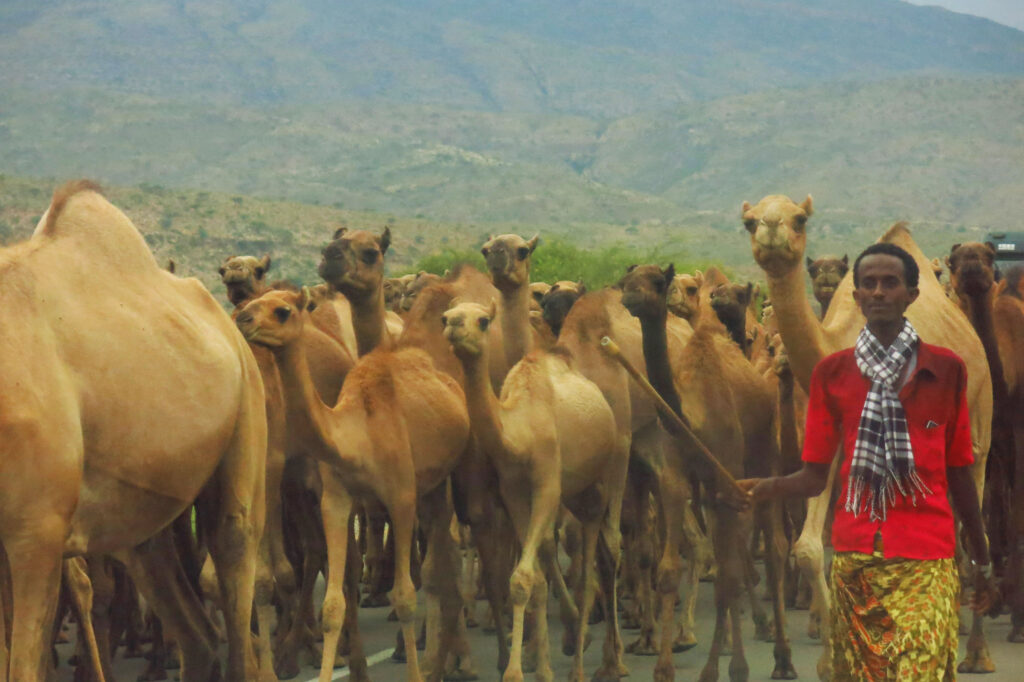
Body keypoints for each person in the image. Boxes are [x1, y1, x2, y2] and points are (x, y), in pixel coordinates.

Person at [735, 243, 995, 681]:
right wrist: (765, 488)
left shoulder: (946, 371)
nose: (878, 292)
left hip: (926, 556)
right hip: (856, 555)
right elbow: (816, 474)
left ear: (913, 294)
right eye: (869, 284)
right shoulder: (831, 375)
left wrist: (981, 558)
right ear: (855, 298)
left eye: (890, 283)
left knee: (918, 668)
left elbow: (959, 473)